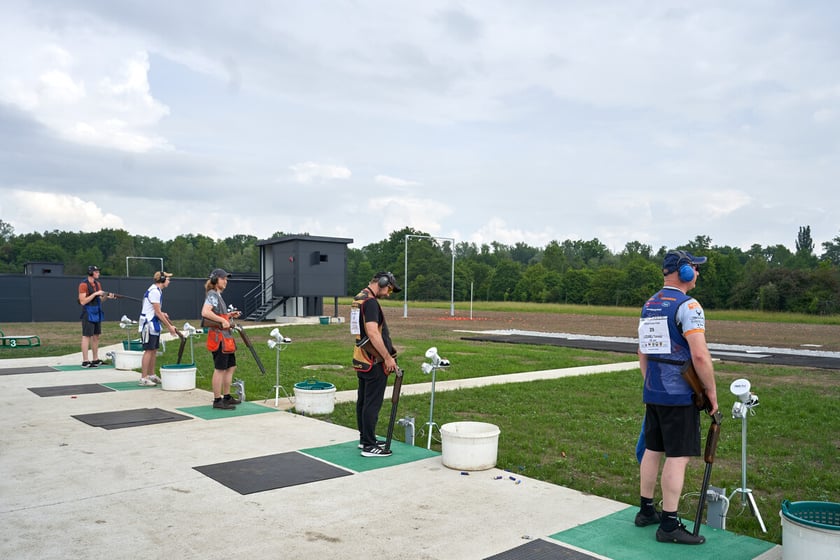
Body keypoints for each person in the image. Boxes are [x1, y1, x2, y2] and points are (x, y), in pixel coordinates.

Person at [636, 250, 719, 545]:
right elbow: (698, 354)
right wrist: (710, 390)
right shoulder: (689, 306)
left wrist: (651, 384)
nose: (697, 273)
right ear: (684, 272)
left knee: (653, 449)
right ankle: (669, 524)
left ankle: (646, 509)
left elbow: (643, 353)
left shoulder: (650, 304)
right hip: (680, 394)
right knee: (678, 457)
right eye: (695, 268)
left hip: (654, 390)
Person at [351, 271, 401, 457]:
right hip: (373, 361)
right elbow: (372, 333)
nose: (388, 293)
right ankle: (369, 446)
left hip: (361, 358)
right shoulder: (371, 302)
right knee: (372, 403)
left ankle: (366, 438)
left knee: (363, 401)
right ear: (382, 282)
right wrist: (387, 358)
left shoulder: (359, 297)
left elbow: (358, 332)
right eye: (389, 289)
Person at [201, 268, 241, 410]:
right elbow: (205, 312)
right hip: (219, 339)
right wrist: (222, 320)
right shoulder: (212, 294)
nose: (226, 281)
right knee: (220, 369)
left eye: (226, 279)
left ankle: (227, 396)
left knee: (231, 367)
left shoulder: (217, 295)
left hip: (225, 339)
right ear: (215, 280)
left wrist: (229, 316)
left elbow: (218, 315)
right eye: (223, 278)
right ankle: (217, 400)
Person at [137, 271, 178, 386]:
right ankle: (143, 377)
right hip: (149, 324)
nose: (169, 281)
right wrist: (169, 327)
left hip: (152, 323)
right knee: (149, 350)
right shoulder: (155, 292)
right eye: (168, 279)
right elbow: (157, 312)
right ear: (163, 279)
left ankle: (151, 374)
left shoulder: (156, 290)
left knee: (153, 350)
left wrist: (161, 313)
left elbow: (156, 311)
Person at [78, 265, 115, 368]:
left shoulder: (98, 284)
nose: (98, 273)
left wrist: (107, 297)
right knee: (86, 336)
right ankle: (85, 361)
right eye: (96, 272)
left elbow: (100, 300)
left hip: (97, 312)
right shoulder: (83, 285)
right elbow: (83, 301)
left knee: (96, 336)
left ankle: (95, 359)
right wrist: (95, 294)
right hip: (88, 312)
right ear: (91, 273)